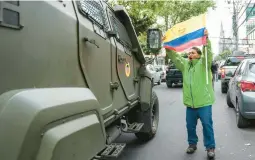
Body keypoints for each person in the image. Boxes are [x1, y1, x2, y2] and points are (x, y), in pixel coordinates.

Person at [165, 29, 216, 159]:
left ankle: (210, 147)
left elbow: (208, 54)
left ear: (199, 55)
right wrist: (167, 46)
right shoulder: (185, 65)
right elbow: (175, 57)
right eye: (189, 52)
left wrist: (206, 40)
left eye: (193, 52)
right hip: (190, 104)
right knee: (190, 126)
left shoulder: (204, 64)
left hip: (204, 102)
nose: (190, 54)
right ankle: (192, 144)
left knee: (207, 125)